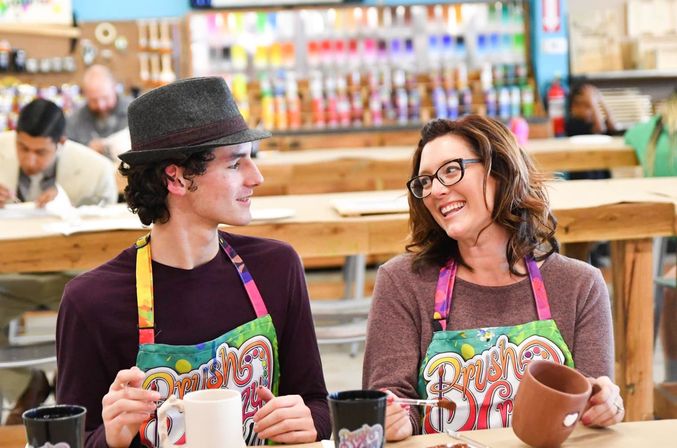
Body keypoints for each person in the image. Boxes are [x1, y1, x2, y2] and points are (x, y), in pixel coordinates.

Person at [56, 77, 330, 447]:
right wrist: (110, 437)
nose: (257, 177)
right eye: (235, 164)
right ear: (177, 178)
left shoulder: (277, 269)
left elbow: (318, 406)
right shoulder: (90, 301)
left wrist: (310, 420)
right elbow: (66, 441)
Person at [363, 115, 625, 441]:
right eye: (426, 181)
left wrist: (605, 404)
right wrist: (393, 419)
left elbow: (589, 409)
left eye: (451, 170)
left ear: (499, 171)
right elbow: (390, 400)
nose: (437, 190)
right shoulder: (402, 282)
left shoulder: (580, 285)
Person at [0, 98, 118, 425]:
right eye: (22, 148)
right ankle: (26, 384)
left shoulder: (95, 170)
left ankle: (80, 411)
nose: (29, 159)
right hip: (10, 279)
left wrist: (65, 204)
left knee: (106, 319)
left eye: (40, 152)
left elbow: (104, 240)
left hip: (73, 281)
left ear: (61, 144)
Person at [65, 64, 131, 161]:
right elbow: (69, 157)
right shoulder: (74, 121)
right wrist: (87, 151)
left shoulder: (136, 113)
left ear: (114, 88)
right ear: (85, 95)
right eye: (94, 100)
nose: (101, 105)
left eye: (105, 98)